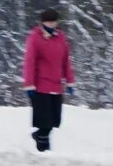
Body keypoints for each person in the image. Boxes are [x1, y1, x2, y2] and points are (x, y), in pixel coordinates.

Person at [21, 8, 75, 152]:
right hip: (40, 86)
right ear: (42, 22)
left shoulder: (61, 37)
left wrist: (70, 81)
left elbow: (66, 61)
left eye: (53, 22)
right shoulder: (35, 38)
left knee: (53, 121)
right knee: (44, 122)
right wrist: (29, 84)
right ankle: (43, 152)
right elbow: (29, 62)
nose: (51, 24)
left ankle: (40, 139)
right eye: (48, 22)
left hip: (56, 85)